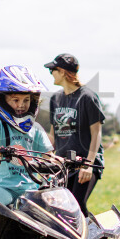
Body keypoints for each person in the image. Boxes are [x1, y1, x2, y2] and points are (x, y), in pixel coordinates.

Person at [0, 65, 55, 225]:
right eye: (15, 100)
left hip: (30, 188)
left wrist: (56, 164)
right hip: (2, 186)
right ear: (3, 100)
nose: (21, 105)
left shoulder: (36, 130)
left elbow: (49, 157)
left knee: (50, 216)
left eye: (26, 100)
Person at [45, 53, 105, 216]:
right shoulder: (55, 99)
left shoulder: (87, 97)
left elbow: (96, 134)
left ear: (63, 72)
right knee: (59, 208)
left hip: (85, 163)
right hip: (64, 164)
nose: (51, 73)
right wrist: (45, 156)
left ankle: (90, 238)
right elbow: (53, 134)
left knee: (76, 205)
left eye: (53, 70)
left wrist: (89, 165)